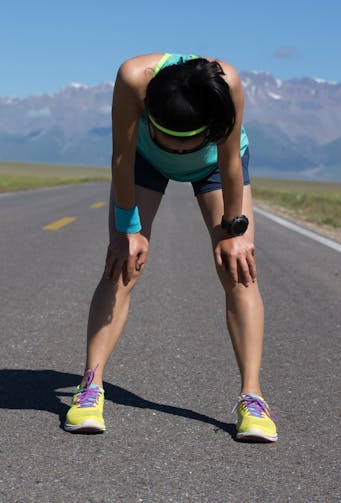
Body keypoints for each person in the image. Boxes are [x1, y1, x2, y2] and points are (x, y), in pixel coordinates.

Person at [64, 53, 277, 442]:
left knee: (239, 268)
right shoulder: (132, 78)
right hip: (143, 161)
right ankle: (89, 388)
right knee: (122, 264)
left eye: (187, 145)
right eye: (173, 143)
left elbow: (230, 161)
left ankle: (253, 398)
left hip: (215, 165)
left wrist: (236, 231)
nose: (180, 153)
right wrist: (128, 230)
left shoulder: (227, 83)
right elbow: (121, 157)